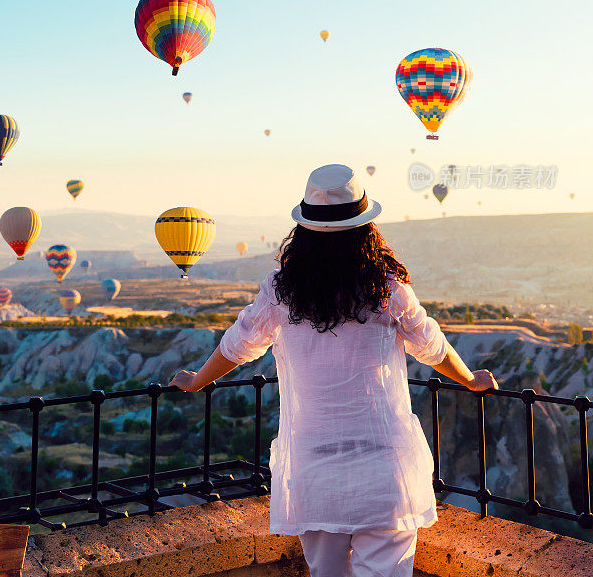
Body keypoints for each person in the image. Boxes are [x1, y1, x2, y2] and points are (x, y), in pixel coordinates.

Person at [169, 164, 498, 577]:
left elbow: (238, 345)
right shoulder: (388, 287)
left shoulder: (280, 291)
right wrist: (470, 379)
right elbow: (431, 346)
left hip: (314, 465)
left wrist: (197, 380)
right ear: (365, 228)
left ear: (304, 230)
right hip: (383, 463)